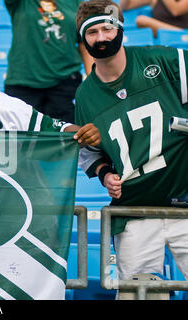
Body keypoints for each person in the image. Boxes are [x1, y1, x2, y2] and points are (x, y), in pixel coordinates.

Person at [74, 0, 188, 285]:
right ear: (82, 39)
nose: (101, 37)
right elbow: (91, 154)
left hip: (186, 203)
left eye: (107, 28)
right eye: (92, 32)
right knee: (140, 293)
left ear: (120, 29)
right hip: (135, 212)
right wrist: (105, 174)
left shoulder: (164, 60)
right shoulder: (85, 97)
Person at [3, 0, 94, 124]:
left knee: (66, 138)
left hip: (65, 82)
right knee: (22, 139)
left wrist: (92, 79)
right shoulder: (22, 3)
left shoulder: (75, 2)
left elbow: (83, 43)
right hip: (23, 83)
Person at [119, 0, 188, 38]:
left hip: (182, 31)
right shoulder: (154, 1)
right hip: (165, 31)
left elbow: (176, 10)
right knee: (140, 20)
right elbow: (124, 7)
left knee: (141, 20)